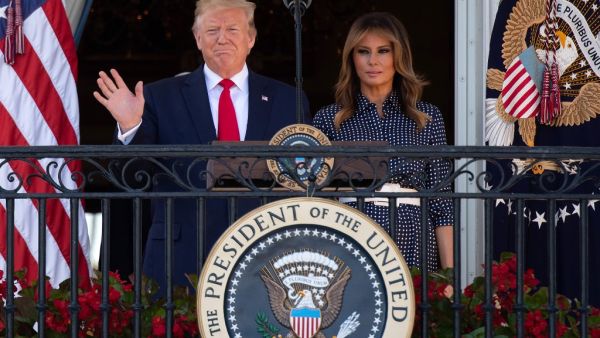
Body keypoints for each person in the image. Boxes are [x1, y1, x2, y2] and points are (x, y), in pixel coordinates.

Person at [93, 0, 308, 289]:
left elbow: (304, 180)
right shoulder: (159, 96)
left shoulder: (288, 100)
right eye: (212, 30)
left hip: (266, 254)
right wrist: (131, 127)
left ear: (251, 39)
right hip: (181, 257)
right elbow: (130, 178)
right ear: (197, 38)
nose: (222, 38)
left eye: (233, 29)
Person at [312, 12, 453, 271]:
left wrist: (449, 277)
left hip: (413, 234)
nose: (373, 61)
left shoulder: (427, 117)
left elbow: (441, 201)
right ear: (351, 58)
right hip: (350, 235)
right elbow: (317, 201)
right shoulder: (328, 119)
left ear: (398, 56)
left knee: (413, 309)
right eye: (363, 51)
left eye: (383, 51)